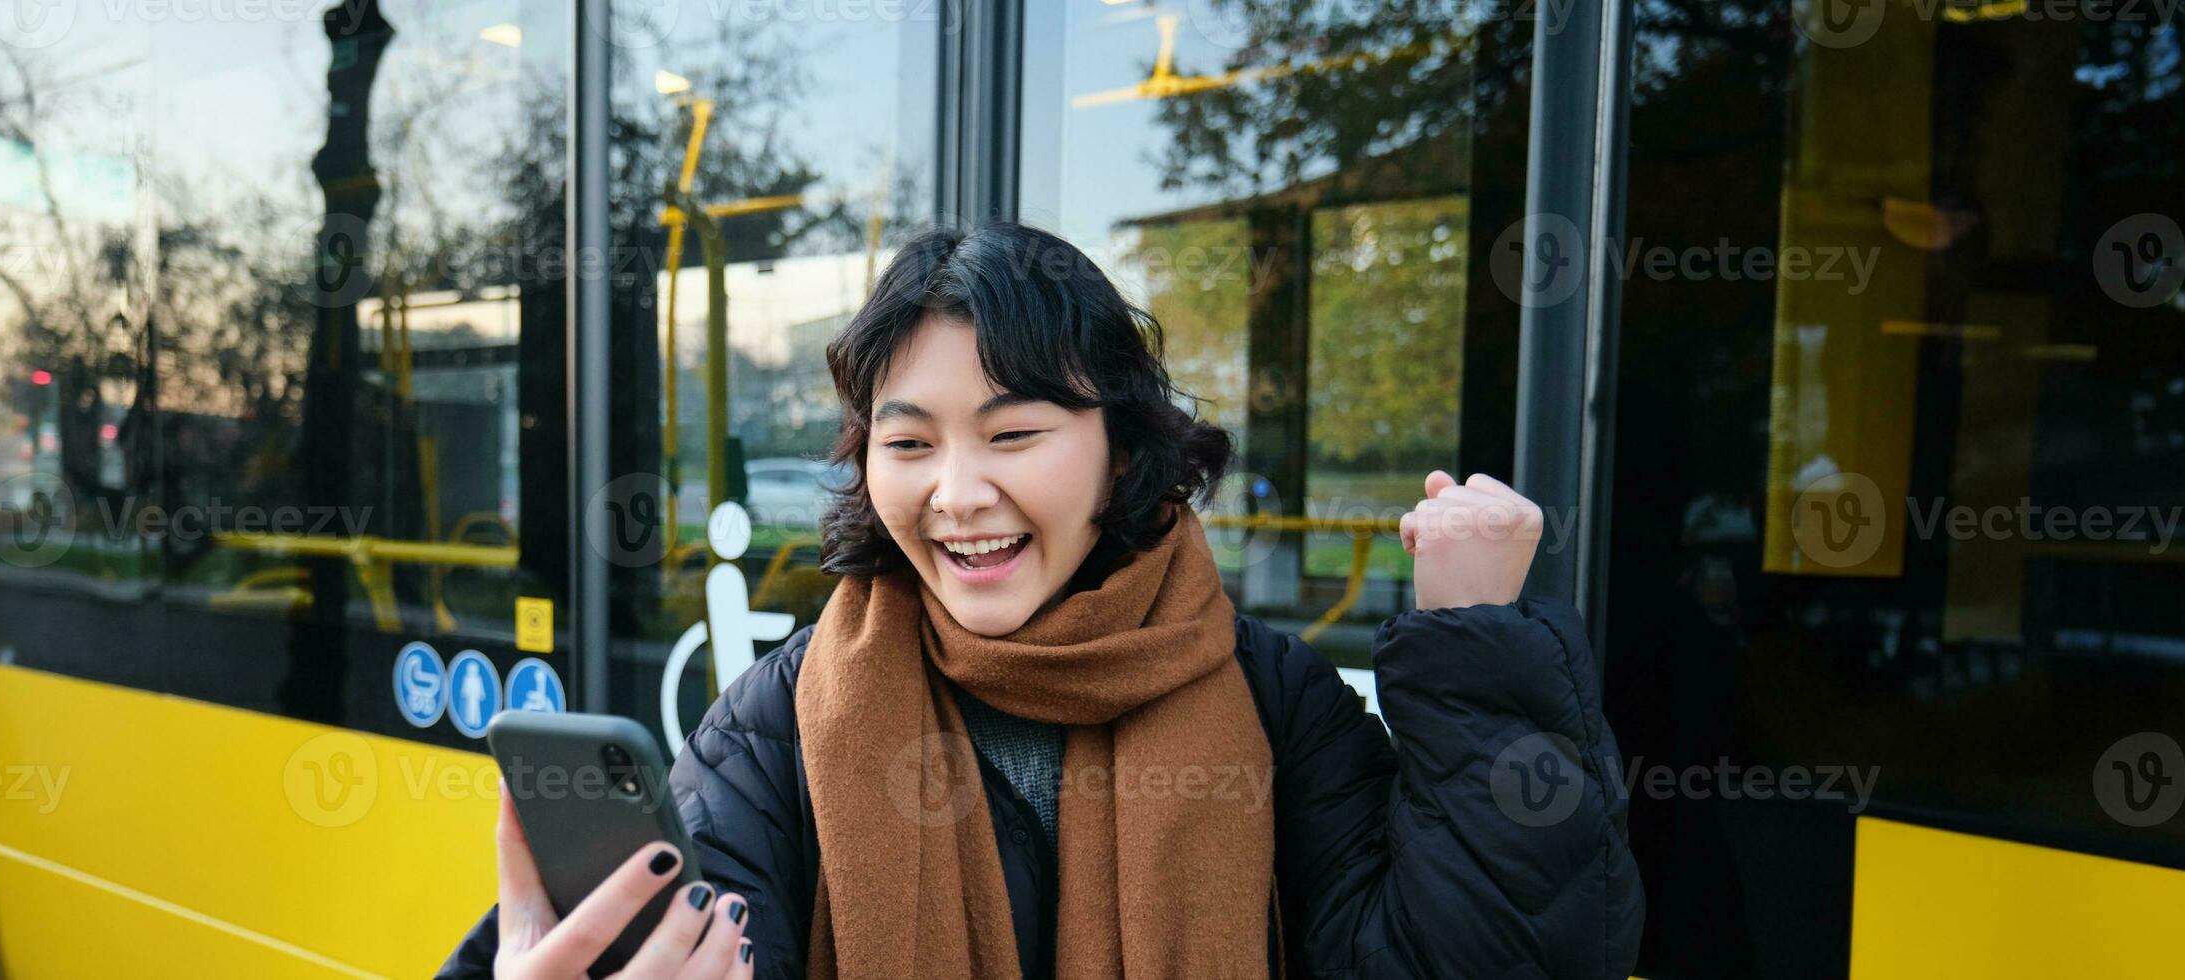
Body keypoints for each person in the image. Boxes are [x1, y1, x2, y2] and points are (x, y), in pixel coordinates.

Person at [441, 222, 1644, 980]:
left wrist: (1479, 645)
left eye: (1015, 431)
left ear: (1123, 449)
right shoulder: (783, 715)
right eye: (906, 443)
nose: (958, 492)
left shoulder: (1275, 702)